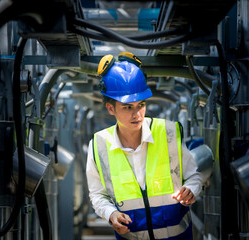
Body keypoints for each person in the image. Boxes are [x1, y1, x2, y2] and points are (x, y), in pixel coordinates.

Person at [86, 52, 202, 240]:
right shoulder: (98, 146)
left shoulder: (168, 133)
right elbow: (98, 195)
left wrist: (191, 189)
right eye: (128, 107)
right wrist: (111, 214)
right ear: (110, 108)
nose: (137, 114)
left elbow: (194, 176)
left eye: (141, 104)